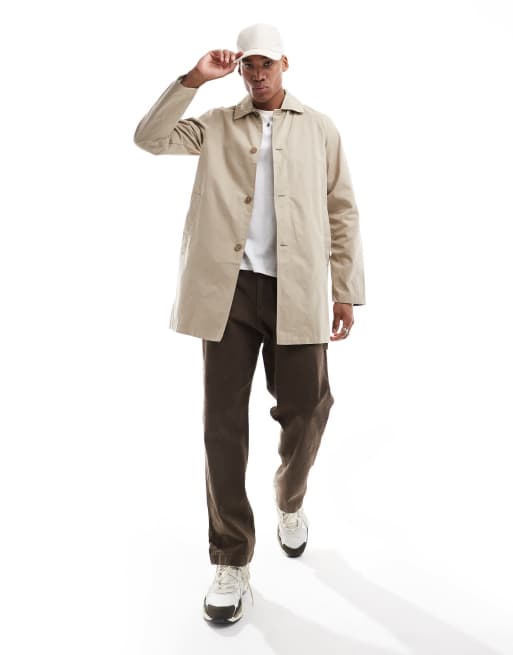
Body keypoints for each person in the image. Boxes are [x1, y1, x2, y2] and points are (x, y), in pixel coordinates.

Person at [133, 22, 366, 625]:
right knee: (222, 425)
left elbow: (342, 208)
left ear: (286, 64)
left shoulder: (319, 128)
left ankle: (289, 497)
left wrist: (345, 289)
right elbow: (149, 138)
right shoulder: (215, 124)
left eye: (266, 64)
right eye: (247, 66)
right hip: (229, 292)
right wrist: (194, 79)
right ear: (238, 69)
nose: (257, 74)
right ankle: (231, 558)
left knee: (308, 407)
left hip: (299, 288)